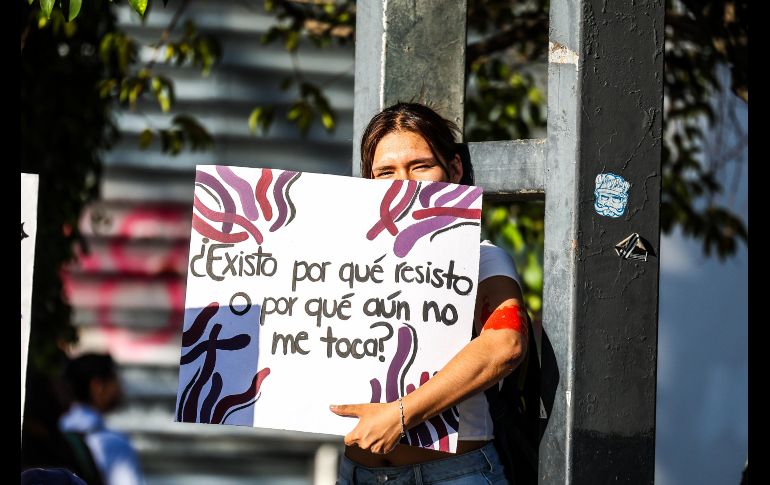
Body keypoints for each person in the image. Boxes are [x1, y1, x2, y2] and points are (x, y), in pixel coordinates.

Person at [330, 102, 529, 484]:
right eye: (385, 172)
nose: (403, 182)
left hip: (451, 474)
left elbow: (505, 345)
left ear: (453, 169)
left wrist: (400, 416)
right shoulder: (340, 265)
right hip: (357, 472)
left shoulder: (482, 258)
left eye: (419, 166)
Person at [59, 353, 145, 485]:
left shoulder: (58, 430)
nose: (121, 387)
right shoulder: (113, 444)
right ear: (97, 386)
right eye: (115, 380)